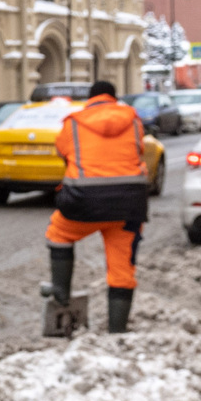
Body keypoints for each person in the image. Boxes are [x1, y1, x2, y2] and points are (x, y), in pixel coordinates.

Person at [43, 80, 150, 333]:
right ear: (114, 98)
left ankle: (61, 292)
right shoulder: (133, 121)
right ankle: (117, 330)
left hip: (84, 202)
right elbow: (140, 150)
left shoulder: (74, 123)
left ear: (90, 99)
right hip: (128, 206)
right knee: (122, 269)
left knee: (58, 234)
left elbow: (63, 150)